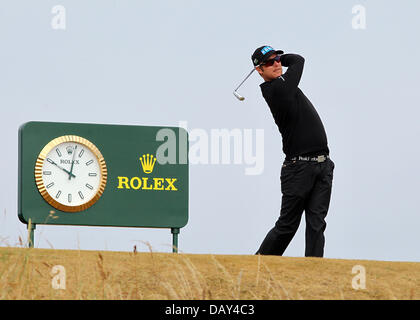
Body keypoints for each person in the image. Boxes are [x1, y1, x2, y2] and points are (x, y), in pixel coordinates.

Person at [252, 45, 335, 257]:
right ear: (259, 71)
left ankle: (314, 269)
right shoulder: (275, 90)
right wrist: (285, 58)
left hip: (322, 165)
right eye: (270, 62)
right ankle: (258, 265)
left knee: (317, 223)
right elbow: (298, 60)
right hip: (298, 168)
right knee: (288, 225)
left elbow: (294, 61)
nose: (277, 63)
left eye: (278, 59)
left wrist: (276, 58)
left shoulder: (284, 83)